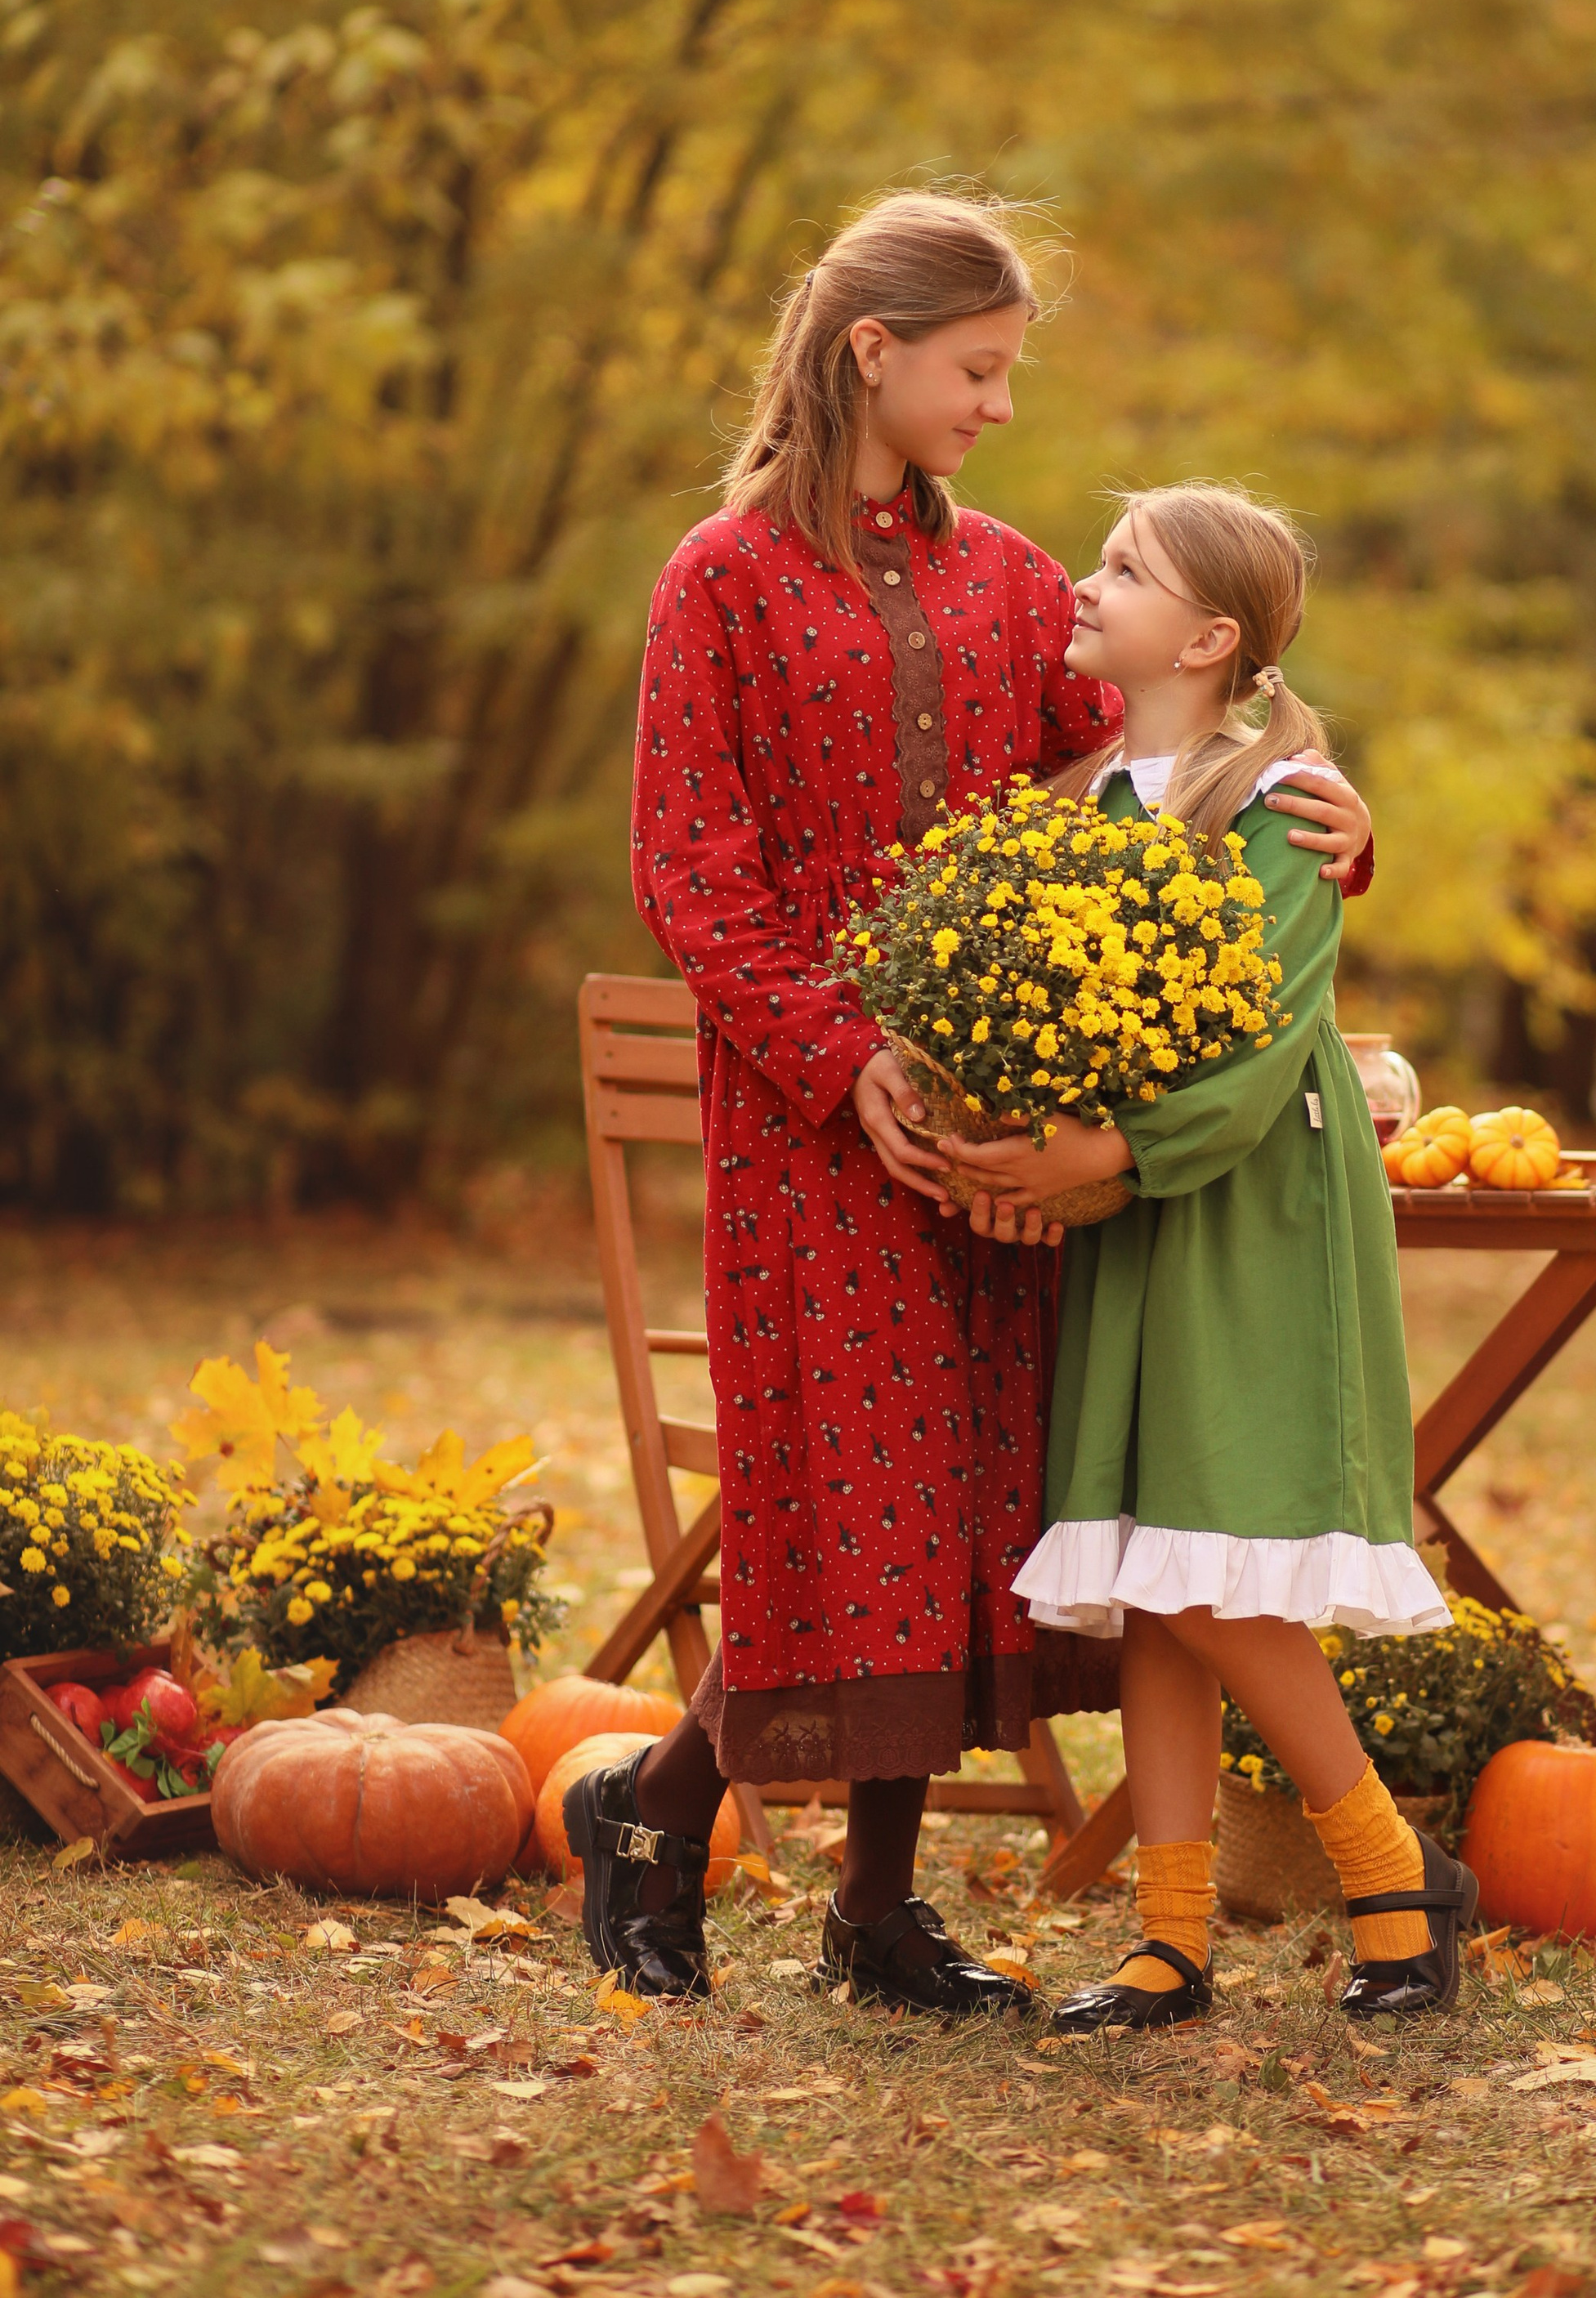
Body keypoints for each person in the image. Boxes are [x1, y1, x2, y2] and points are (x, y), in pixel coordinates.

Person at [568, 194, 1377, 2011]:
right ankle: (656, 1809)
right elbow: (690, 874)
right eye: (978, 370)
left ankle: (871, 1909)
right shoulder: (717, 580)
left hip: (992, 1118)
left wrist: (1324, 798)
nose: (1000, 408)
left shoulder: (1011, 579)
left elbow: (1141, 792)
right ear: (874, 353)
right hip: (803, 1119)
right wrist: (840, 1063)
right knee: (833, 1492)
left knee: (952, 1511)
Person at [943, 481, 1474, 2029]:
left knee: (1217, 1567)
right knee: (1149, 1567)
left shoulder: (1287, 804)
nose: (1087, 583)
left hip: (1249, 1214)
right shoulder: (1093, 798)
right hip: (1136, 1231)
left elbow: (1252, 1056)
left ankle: (1393, 1877)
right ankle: (1171, 1940)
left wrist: (1104, 1154)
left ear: (1212, 634)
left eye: (1124, 569)